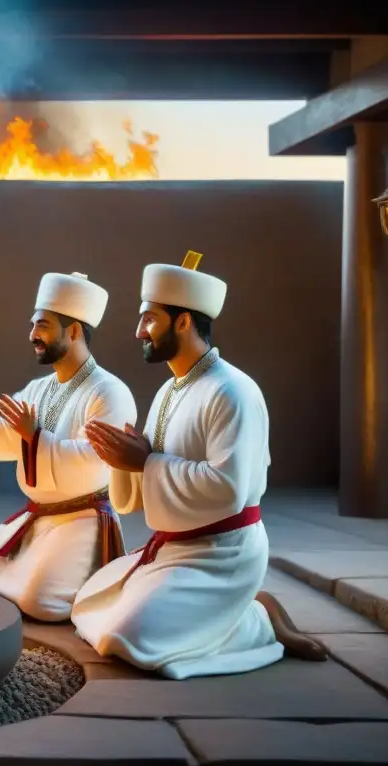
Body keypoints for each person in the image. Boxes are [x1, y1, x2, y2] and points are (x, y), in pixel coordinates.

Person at [74, 253, 328, 679]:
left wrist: (147, 461)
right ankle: (224, 613)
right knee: (85, 604)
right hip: (175, 549)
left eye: (149, 319)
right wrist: (121, 460)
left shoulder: (233, 392)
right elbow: (134, 495)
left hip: (223, 554)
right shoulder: (168, 392)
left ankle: (255, 621)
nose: (139, 332)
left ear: (183, 322)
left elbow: (228, 489)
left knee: (127, 637)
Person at [0, 272, 137, 622]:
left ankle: (73, 579)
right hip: (38, 519)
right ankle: (35, 573)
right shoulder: (40, 388)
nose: (33, 335)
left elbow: (95, 462)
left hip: (80, 521)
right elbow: (0, 432)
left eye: (44, 326)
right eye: (33, 325)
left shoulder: (110, 392)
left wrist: (35, 436)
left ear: (75, 330)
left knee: (41, 601)